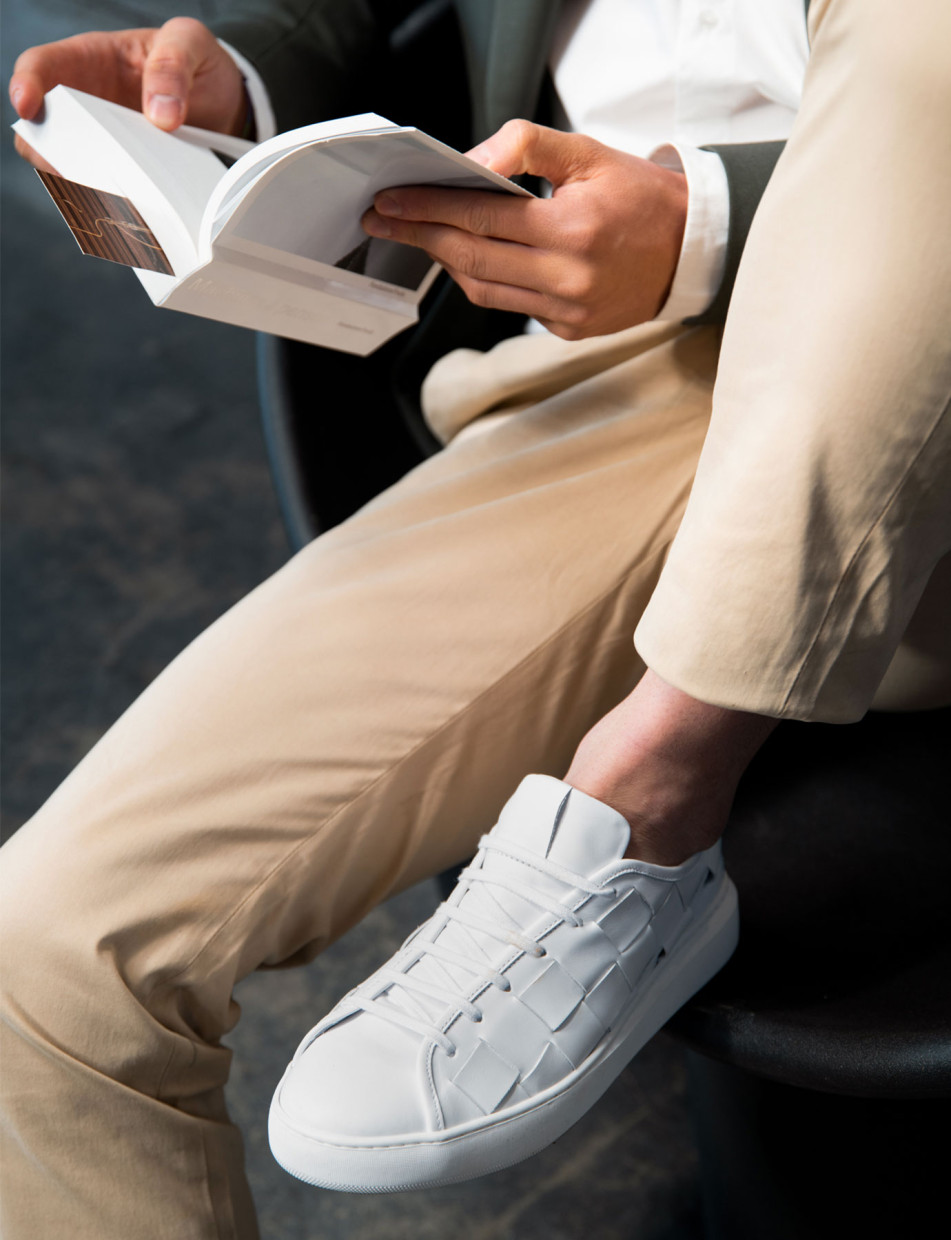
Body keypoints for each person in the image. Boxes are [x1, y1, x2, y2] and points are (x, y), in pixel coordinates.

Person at [3, 0, 950, 1232]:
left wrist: (715, 220)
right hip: (617, 369)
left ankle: (651, 792)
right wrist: (229, 88)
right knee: (50, 966)